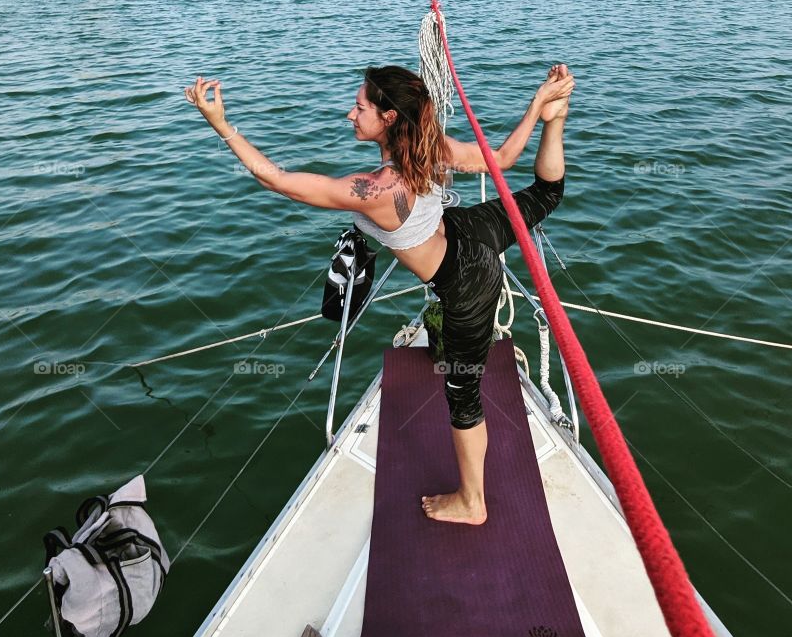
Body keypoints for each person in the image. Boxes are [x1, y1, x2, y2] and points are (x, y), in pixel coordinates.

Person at [184, 61, 574, 526]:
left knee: (463, 394)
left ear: (389, 118)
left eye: (360, 106)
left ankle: (473, 502)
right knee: (546, 193)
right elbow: (504, 157)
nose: (351, 115)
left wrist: (222, 125)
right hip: (468, 230)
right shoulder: (430, 146)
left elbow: (277, 180)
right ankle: (558, 122)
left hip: (465, 285)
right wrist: (538, 107)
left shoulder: (377, 189)